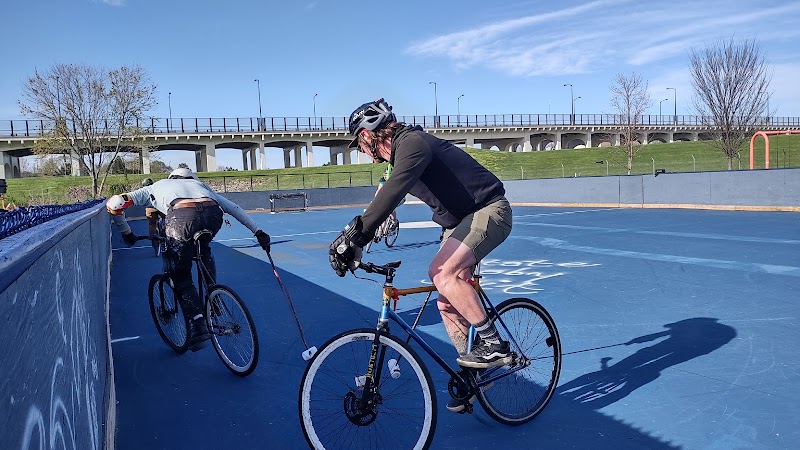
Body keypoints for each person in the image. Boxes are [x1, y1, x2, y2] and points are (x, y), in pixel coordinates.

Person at [328, 98, 513, 411]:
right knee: (446, 301)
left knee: (443, 274)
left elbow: (395, 189)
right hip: (458, 223)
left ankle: (493, 344)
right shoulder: (399, 158)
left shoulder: (412, 143)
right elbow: (383, 197)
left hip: (488, 209)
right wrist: (356, 241)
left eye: (358, 143)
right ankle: (477, 373)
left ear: (369, 136)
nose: (360, 152)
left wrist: (356, 234)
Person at [107, 168, 271, 351]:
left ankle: (198, 321)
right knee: (204, 250)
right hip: (212, 215)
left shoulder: (156, 186)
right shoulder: (200, 185)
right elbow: (234, 208)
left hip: (181, 218)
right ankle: (213, 298)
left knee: (179, 273)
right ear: (191, 177)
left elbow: (115, 203)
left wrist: (127, 233)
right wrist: (258, 232)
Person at [140, 177, 165, 254]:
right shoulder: (157, 188)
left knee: (152, 224)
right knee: (167, 220)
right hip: (160, 207)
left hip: (150, 209)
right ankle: (167, 236)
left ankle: (153, 239)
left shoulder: (143, 191)